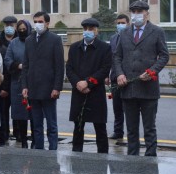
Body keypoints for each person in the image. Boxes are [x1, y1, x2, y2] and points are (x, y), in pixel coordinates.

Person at [113, 0, 169, 156]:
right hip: (128, 88)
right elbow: (117, 56)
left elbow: (164, 56)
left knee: (149, 128)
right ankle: (133, 159)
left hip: (148, 89)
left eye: (140, 12)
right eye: (134, 12)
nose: (136, 15)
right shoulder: (124, 32)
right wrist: (120, 74)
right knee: (131, 129)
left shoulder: (157, 31)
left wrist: (152, 72)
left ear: (147, 14)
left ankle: (150, 159)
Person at [66, 18, 112, 153]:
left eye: (91, 29)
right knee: (78, 126)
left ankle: (103, 156)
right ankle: (76, 155)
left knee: (100, 127)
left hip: (95, 92)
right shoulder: (75, 47)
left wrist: (88, 82)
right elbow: (69, 68)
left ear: (96, 31)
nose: (87, 32)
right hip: (78, 91)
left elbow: (105, 69)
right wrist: (77, 83)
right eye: (85, 29)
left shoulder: (105, 47)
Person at [21, 11, 64, 150]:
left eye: (40, 21)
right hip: (33, 89)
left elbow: (59, 66)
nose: (37, 24)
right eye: (35, 21)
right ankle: (39, 152)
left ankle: (52, 151)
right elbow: (26, 65)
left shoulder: (55, 39)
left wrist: (57, 87)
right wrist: (24, 86)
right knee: (37, 125)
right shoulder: (29, 40)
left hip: (49, 89)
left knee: (51, 124)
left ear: (47, 23)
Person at [5, 19, 34, 148]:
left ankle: (35, 139)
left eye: (24, 29)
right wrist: (19, 65)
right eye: (20, 29)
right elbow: (7, 60)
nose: (22, 31)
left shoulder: (34, 42)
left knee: (34, 113)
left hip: (33, 82)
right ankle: (22, 140)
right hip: (17, 82)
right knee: (20, 113)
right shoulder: (13, 43)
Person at [108, 13, 129, 140]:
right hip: (115, 77)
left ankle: (132, 133)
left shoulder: (131, 37)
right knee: (117, 107)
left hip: (128, 78)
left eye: (123, 23)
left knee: (130, 108)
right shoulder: (113, 38)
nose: (120, 25)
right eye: (118, 23)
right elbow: (111, 58)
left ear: (128, 23)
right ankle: (118, 131)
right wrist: (108, 75)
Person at [0, 15, 18, 140]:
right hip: (3, 82)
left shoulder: (21, 40)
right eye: (7, 25)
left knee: (17, 111)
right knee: (3, 111)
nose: (9, 27)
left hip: (17, 81)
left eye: (11, 25)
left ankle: (18, 134)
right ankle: (4, 134)